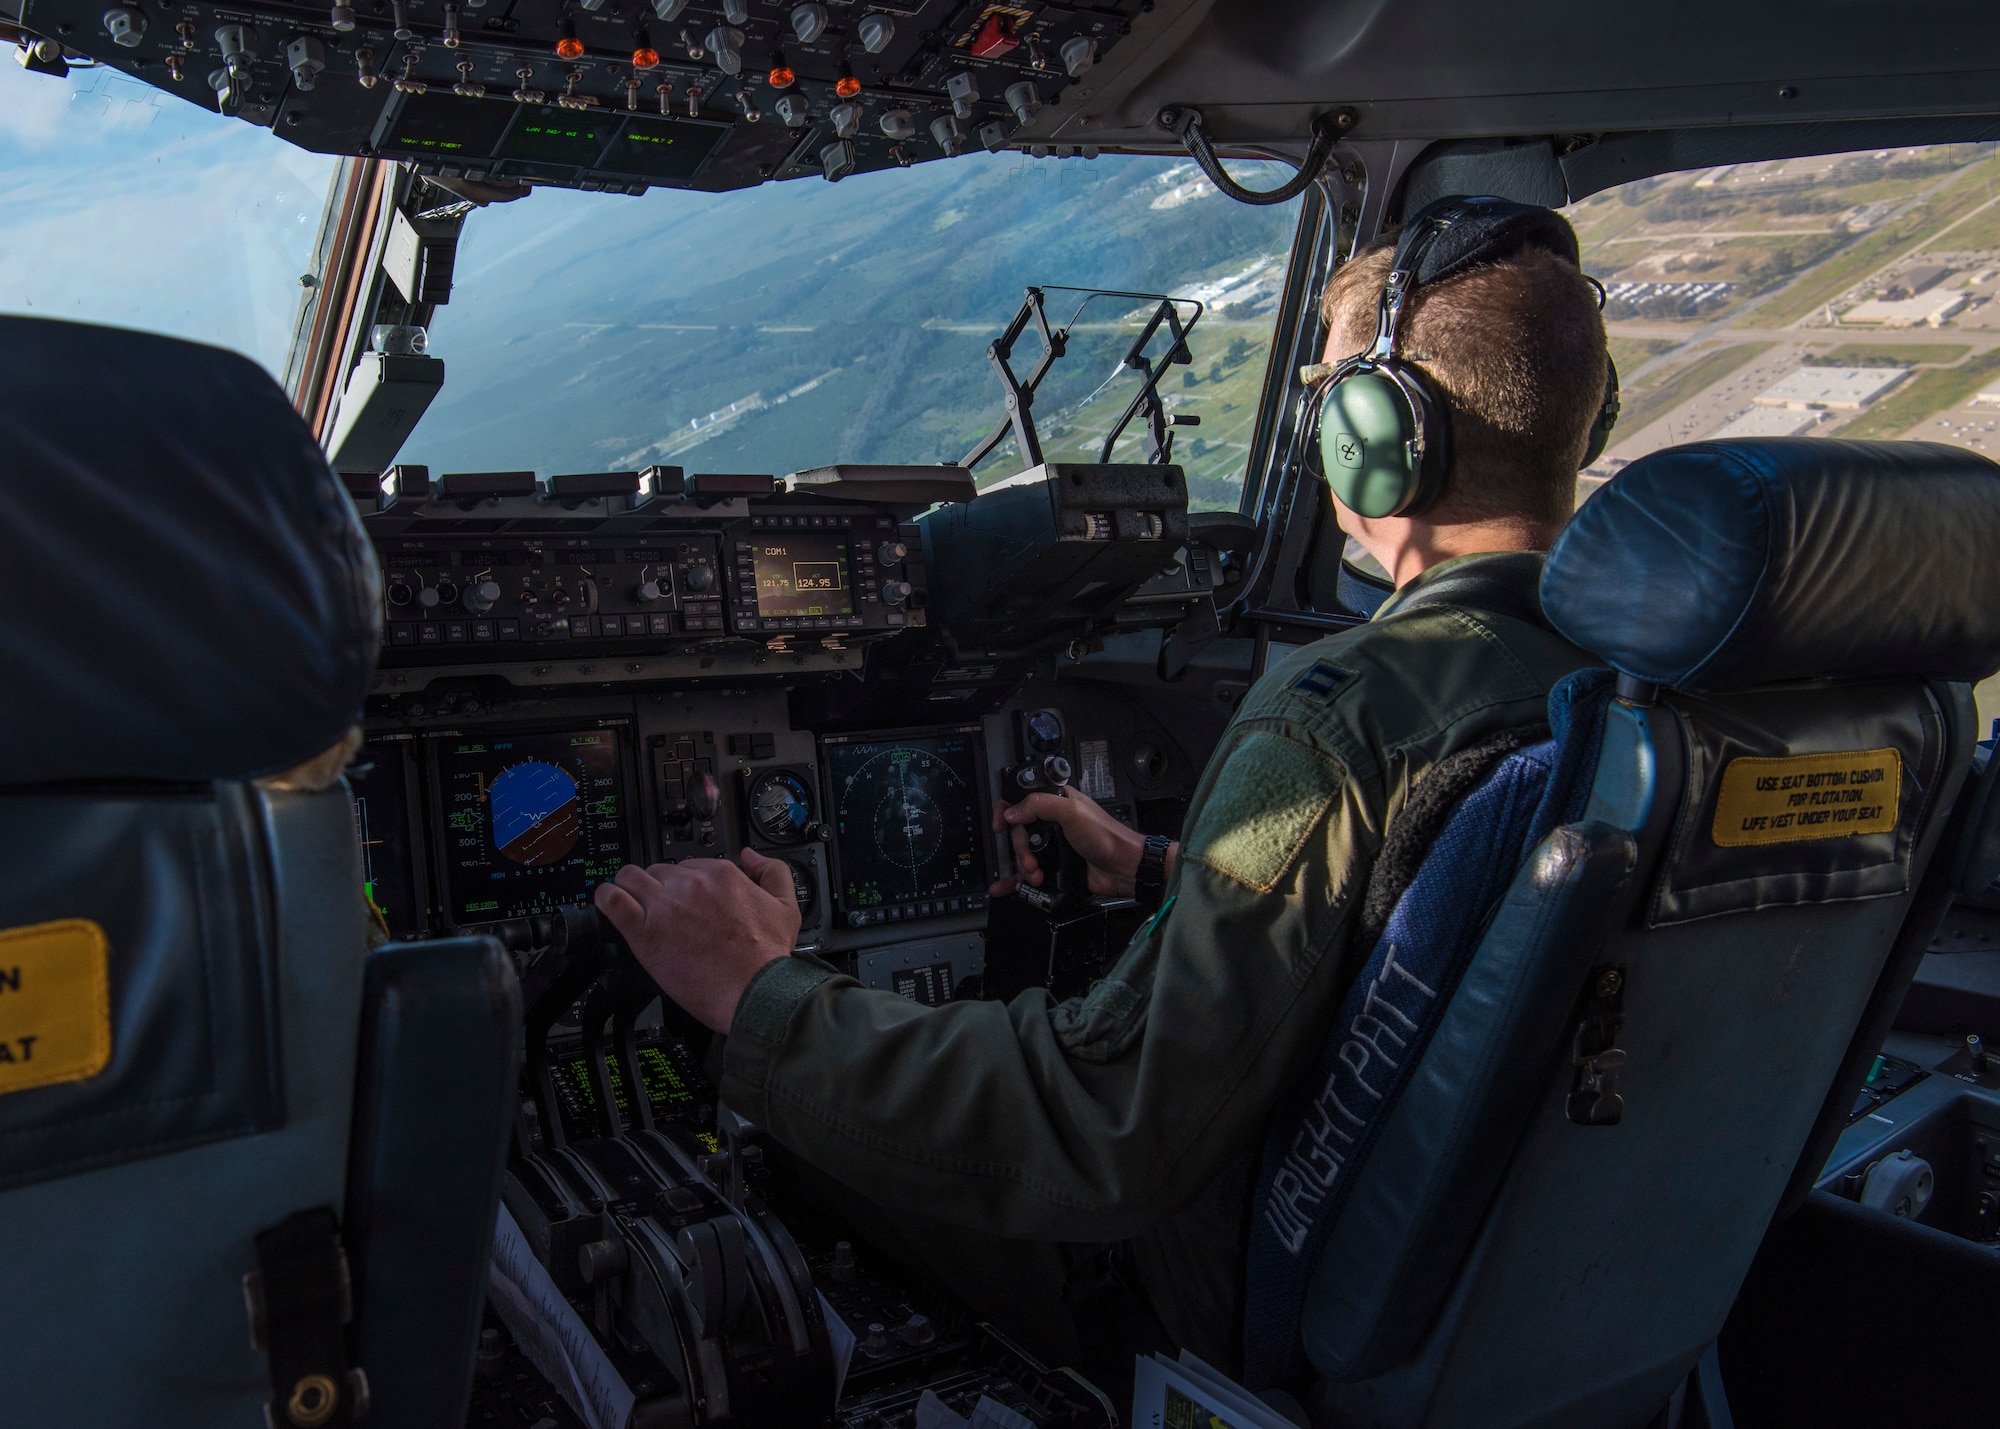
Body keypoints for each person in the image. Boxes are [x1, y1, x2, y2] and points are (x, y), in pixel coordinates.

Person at [593, 199, 1612, 1376]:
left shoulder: (1341, 717)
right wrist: (1167, 873)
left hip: (1212, 1285)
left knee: (795, 1138)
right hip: (1511, 1290)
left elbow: (1100, 1124)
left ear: (1375, 436)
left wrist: (759, 992)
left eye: (1330, 395)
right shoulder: (1634, 674)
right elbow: (1450, 935)